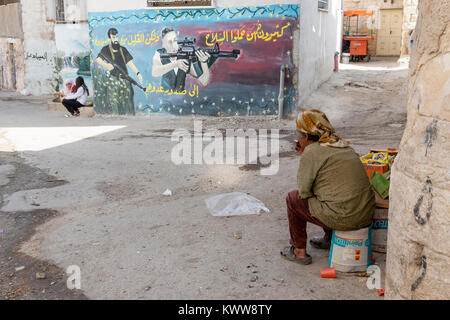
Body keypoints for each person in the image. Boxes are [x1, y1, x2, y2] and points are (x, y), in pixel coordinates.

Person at [280, 109, 375, 265]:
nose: (297, 138)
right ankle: (330, 238)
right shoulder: (343, 146)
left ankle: (299, 251)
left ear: (305, 136)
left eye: (298, 134)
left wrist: (305, 155)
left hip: (344, 218)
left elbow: (304, 191)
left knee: (293, 198)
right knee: (330, 192)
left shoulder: (312, 152)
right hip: (365, 214)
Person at [96, 28, 143, 115]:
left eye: (117, 37)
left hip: (125, 79)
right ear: (109, 38)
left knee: (129, 102)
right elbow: (98, 59)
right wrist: (107, 65)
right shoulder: (105, 50)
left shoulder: (123, 50)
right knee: (116, 103)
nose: (116, 39)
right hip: (113, 81)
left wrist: (138, 73)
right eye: (113, 37)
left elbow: (130, 63)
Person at [152, 27, 211, 92]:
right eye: (169, 42)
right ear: (164, 43)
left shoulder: (185, 56)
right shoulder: (159, 53)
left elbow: (204, 81)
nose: (173, 45)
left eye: (175, 40)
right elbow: (155, 72)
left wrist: (204, 62)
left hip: (180, 98)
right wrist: (176, 64)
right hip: (164, 97)